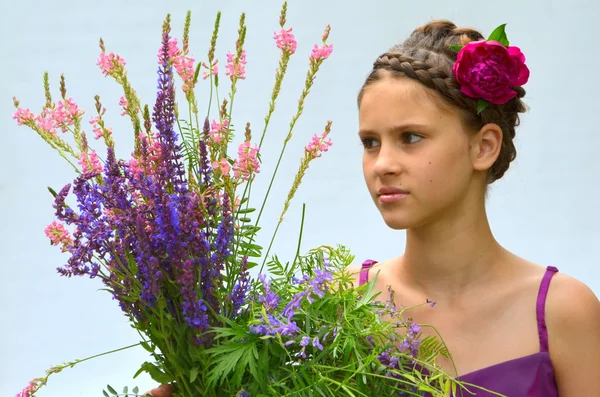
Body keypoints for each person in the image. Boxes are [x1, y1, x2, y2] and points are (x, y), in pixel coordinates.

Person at [148, 20, 600, 397]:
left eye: (411, 137)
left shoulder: (562, 311)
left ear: (483, 146)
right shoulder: (333, 306)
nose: (382, 164)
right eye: (370, 142)